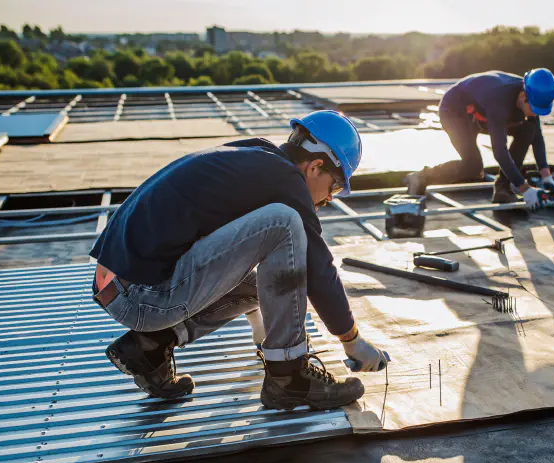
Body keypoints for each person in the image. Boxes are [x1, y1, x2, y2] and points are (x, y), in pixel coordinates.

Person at [89, 110, 386, 410]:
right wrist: (351, 340)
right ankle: (289, 375)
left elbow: (234, 254)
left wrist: (261, 324)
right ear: (315, 167)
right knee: (284, 222)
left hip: (119, 286)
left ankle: (150, 346)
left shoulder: (257, 155)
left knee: (262, 281)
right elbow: (318, 267)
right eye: (335, 186)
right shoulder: (286, 180)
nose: (330, 198)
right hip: (141, 297)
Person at [406, 68, 554, 208]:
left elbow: (537, 137)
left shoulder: (531, 94)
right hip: (454, 111)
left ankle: (503, 188)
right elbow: (499, 151)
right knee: (473, 166)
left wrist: (546, 176)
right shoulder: (499, 101)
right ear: (523, 96)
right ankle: (422, 177)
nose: (535, 114)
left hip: (480, 112)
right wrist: (525, 188)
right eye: (534, 109)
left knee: (529, 129)